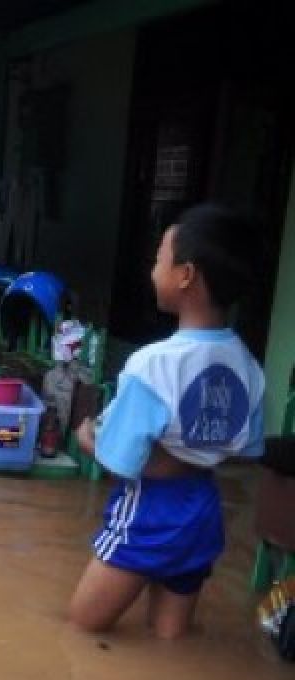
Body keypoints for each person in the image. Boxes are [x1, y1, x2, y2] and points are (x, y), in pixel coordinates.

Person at [68, 204, 266, 639]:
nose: (152, 268)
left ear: (185, 275)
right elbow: (247, 451)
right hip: (204, 514)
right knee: (169, 642)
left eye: (159, 258)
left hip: (149, 514)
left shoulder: (152, 365)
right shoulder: (250, 367)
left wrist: (87, 438)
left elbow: (118, 460)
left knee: (82, 628)